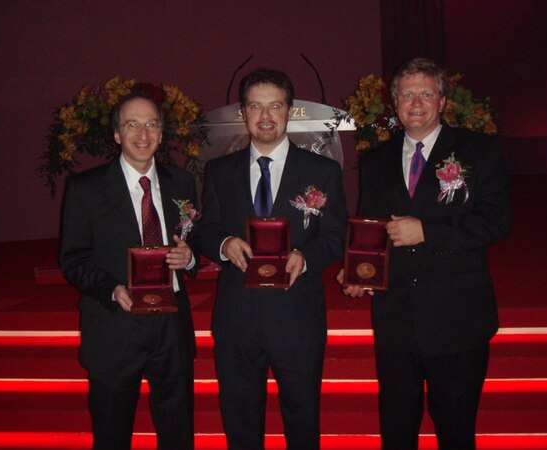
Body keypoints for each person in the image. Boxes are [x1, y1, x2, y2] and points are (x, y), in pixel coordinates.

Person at [338, 58, 511, 450]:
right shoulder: (376, 160)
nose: (416, 102)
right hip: (396, 319)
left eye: (426, 93)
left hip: (457, 318)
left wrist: (426, 231)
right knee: (397, 432)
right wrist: (358, 270)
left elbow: (496, 222)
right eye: (407, 94)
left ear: (443, 101)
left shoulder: (478, 150)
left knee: (455, 431)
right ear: (395, 102)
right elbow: (373, 229)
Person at [199, 68, 347, 450]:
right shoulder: (219, 172)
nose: (265, 116)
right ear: (244, 113)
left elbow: (334, 236)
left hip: (297, 316)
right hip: (237, 318)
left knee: (302, 419)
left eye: (275, 106)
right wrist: (224, 243)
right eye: (255, 106)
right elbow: (204, 229)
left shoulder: (323, 172)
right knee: (241, 420)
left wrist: (305, 255)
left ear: (289, 110)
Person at [59, 92, 198, 450]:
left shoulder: (181, 183)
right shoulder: (86, 188)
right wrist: (113, 289)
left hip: (171, 325)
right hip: (114, 325)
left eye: (151, 124)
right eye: (132, 125)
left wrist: (191, 258)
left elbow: (195, 240)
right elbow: (73, 259)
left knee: (178, 429)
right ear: (117, 134)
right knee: (111, 431)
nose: (143, 134)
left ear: (162, 133)